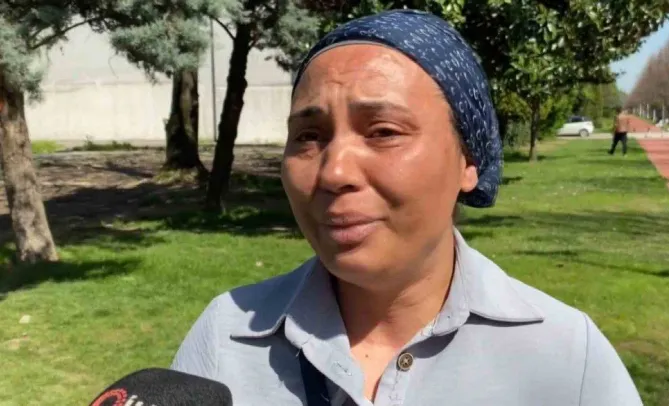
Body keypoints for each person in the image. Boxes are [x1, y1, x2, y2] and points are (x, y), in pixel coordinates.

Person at [171, 10, 643, 406]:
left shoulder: (566, 359)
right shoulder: (227, 337)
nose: (334, 172)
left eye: (383, 132)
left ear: (468, 161)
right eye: (309, 136)